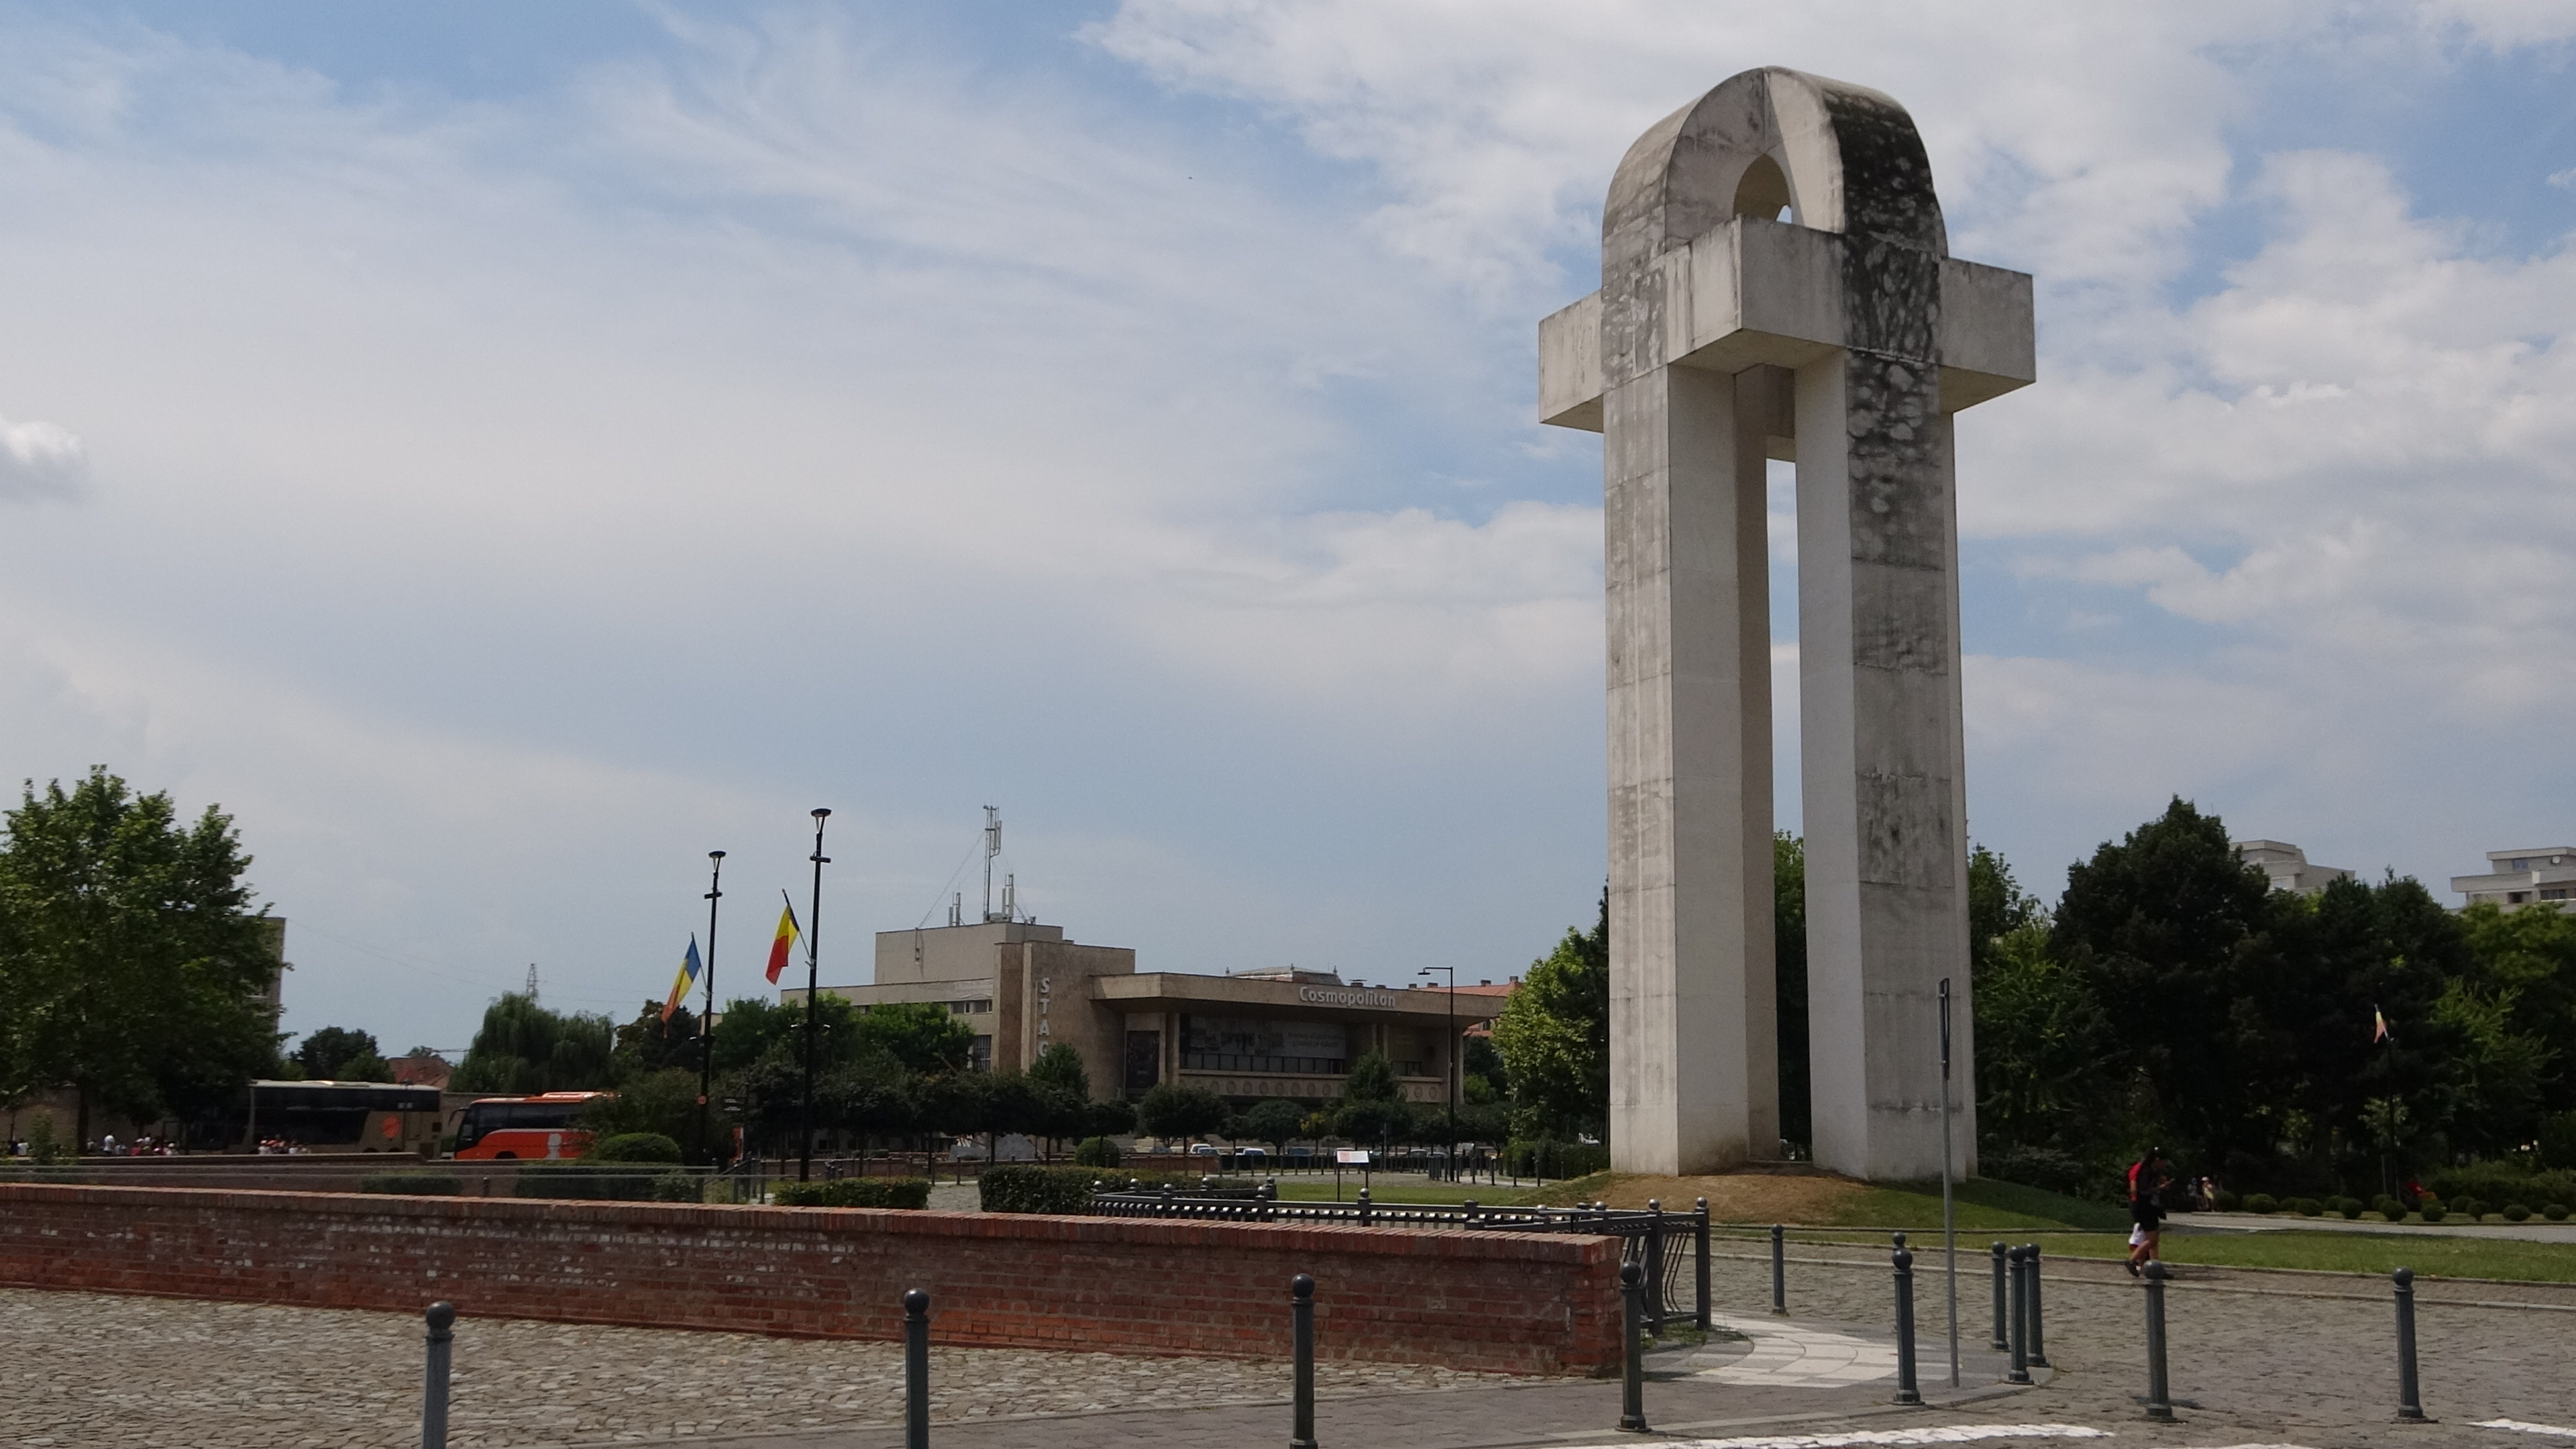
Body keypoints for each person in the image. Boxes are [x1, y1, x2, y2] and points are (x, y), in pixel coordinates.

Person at [2126, 1147, 2170, 1277]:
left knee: (2154, 1239)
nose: (2165, 1164)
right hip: (2144, 1207)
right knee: (2152, 1240)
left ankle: (2155, 1269)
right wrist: (2159, 1188)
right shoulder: (2146, 1171)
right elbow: (2143, 1190)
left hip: (2149, 1207)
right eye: (2163, 1161)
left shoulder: (2153, 1170)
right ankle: (2132, 1260)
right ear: (2157, 1159)